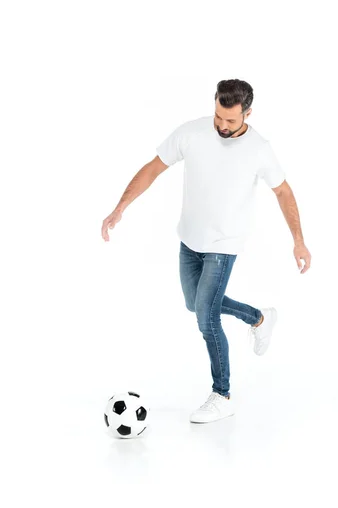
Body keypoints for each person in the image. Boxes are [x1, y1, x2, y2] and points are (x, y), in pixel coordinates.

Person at [101, 79, 311, 424]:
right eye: (218, 117)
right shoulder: (192, 133)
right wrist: (120, 207)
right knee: (194, 303)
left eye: (231, 120)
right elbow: (153, 168)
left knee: (206, 317)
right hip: (190, 239)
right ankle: (259, 317)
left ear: (247, 113)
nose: (223, 126)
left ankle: (222, 393)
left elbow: (284, 193)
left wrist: (298, 240)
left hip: (224, 244)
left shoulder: (259, 148)